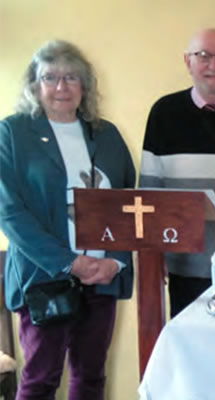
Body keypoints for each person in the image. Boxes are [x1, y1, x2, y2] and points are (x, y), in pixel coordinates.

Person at [0, 40, 135, 399]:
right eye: (50, 77)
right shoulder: (12, 133)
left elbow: (128, 203)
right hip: (44, 278)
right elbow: (10, 212)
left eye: (71, 77)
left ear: (85, 85)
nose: (61, 87)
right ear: (34, 85)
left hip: (102, 276)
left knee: (91, 378)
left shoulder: (107, 135)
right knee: (41, 379)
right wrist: (69, 262)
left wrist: (116, 261)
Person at [138, 28, 215, 317]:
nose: (214, 65)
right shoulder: (163, 113)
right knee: (191, 352)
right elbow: (149, 191)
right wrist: (155, 256)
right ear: (187, 62)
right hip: (184, 265)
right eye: (204, 56)